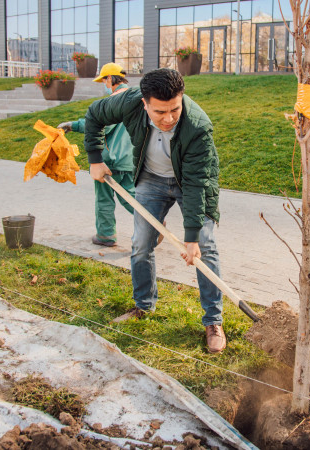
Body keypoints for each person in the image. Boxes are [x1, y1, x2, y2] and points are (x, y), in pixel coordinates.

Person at [82, 68, 226, 354]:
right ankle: (143, 306)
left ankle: (213, 321)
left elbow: (198, 183)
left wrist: (192, 236)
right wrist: (95, 159)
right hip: (150, 180)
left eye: (175, 108)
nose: (169, 117)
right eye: (160, 111)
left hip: (190, 182)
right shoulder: (126, 101)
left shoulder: (197, 126)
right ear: (144, 103)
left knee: (205, 248)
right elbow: (94, 115)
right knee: (140, 243)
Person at [58, 63, 135, 247]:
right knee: (130, 196)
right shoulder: (133, 98)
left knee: (104, 199)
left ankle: (106, 235)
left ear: (110, 79)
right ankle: (153, 222)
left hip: (109, 159)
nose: (104, 84)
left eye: (104, 80)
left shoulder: (115, 99)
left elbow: (99, 124)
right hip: (130, 158)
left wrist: (73, 125)